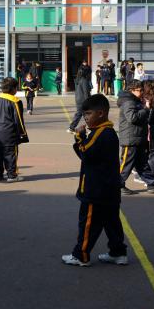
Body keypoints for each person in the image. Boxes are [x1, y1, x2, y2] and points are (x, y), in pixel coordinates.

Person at [61, 94, 128, 267]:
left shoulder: (101, 133)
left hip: (96, 190)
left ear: (101, 113)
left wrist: (79, 136)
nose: (86, 118)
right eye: (84, 114)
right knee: (111, 222)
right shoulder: (106, 132)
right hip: (109, 189)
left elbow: (86, 153)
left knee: (88, 223)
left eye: (88, 114)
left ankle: (81, 255)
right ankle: (118, 252)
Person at [117, 80, 154, 194]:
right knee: (126, 164)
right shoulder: (128, 102)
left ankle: (151, 183)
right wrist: (146, 109)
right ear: (132, 90)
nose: (142, 92)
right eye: (140, 90)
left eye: (142, 90)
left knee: (142, 164)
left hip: (137, 137)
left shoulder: (135, 101)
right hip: (130, 139)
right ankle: (117, 185)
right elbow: (132, 118)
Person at [0, 77, 29, 182]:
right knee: (10, 154)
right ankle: (12, 175)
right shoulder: (15, 101)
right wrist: (22, 133)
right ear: (13, 89)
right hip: (9, 133)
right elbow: (18, 119)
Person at [67, 62, 91, 133]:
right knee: (84, 115)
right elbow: (86, 92)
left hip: (78, 99)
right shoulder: (84, 80)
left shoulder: (78, 80)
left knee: (84, 115)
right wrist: (89, 101)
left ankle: (72, 128)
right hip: (83, 100)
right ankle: (71, 127)